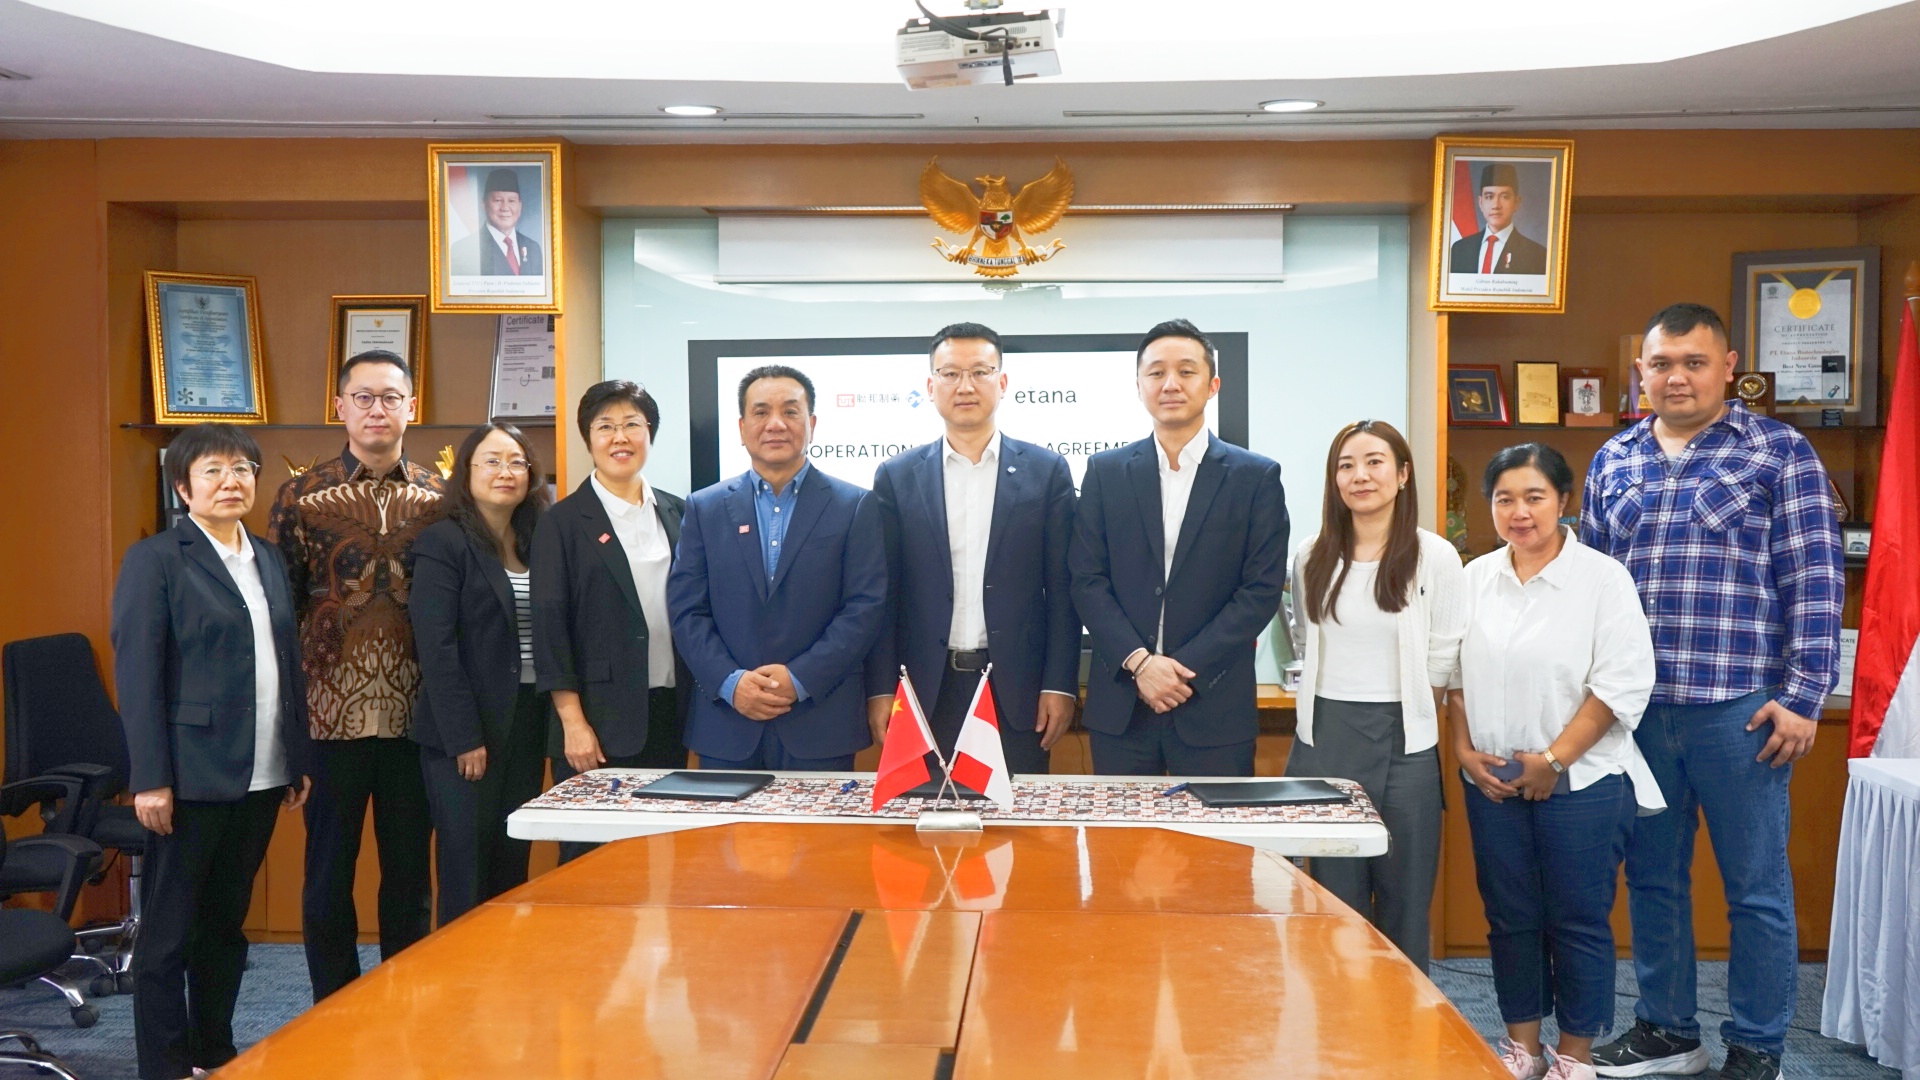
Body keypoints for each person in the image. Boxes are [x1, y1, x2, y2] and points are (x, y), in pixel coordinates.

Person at [1583, 304, 1843, 1080]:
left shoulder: (1778, 453)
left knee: (1756, 888)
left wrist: (1804, 695)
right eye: (1662, 364)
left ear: (1728, 367)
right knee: (1652, 879)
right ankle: (1668, 1031)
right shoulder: (1614, 458)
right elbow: (1587, 589)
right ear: (1642, 372)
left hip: (1741, 713)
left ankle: (1758, 1046)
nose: (1677, 377)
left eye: (1694, 362)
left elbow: (1815, 578)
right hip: (1636, 715)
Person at [1453, 443, 1663, 1080]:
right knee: (1509, 916)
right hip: (1493, 781)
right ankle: (1524, 1046)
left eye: (1534, 497)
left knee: (1577, 919)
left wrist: (1553, 760)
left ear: (1564, 500)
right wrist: (1463, 752)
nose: (1519, 512)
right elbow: (1452, 676)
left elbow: (1621, 684)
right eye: (1505, 499)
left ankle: (1575, 1054)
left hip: (1585, 781)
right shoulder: (1474, 578)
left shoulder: (1603, 579)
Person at [112, 423, 314, 1080]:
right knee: (168, 936)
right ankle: (164, 1066)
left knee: (226, 926)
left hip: (262, 771)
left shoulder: (268, 557)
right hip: (189, 775)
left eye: (243, 469)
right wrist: (150, 778)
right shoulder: (157, 559)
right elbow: (138, 675)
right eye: (214, 471)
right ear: (184, 487)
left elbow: (286, 661)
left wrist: (296, 756)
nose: (231, 481)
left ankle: (213, 1051)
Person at [268, 348, 443, 1002]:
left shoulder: (440, 499)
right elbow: (281, 609)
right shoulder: (300, 496)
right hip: (327, 719)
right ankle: (333, 1007)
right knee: (326, 877)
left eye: (390, 397)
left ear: (411, 408)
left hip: (415, 720)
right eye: (363, 397)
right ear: (339, 406)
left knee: (409, 878)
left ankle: (406, 1004)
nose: (377, 409)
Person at [1283, 418, 1465, 971]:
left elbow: (1443, 654)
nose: (1360, 475)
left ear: (1403, 474)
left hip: (1404, 741)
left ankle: (1406, 1016)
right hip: (1326, 738)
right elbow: (1303, 637)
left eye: (1374, 462)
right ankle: (1339, 1013)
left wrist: (1415, 709)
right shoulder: (1311, 554)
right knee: (1334, 901)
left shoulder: (1435, 555)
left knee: (1404, 898)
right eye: (1346, 465)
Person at [1069, 319, 1289, 776]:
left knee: (1218, 827)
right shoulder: (1106, 472)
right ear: (1138, 386)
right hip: (1123, 707)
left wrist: (1177, 669)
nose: (1170, 384)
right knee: (1120, 827)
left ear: (1212, 385)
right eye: (1156, 373)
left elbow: (1260, 591)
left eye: (1186, 371)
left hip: (1214, 704)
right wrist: (1140, 664)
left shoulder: (1255, 477)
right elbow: (1087, 579)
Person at [864, 322, 1079, 775]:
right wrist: (881, 689)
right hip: (923, 690)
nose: (965, 386)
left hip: (1015, 691)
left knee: (1016, 818)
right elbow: (883, 595)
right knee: (921, 815)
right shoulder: (897, 477)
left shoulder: (1046, 472)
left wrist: (1060, 684)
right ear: (930, 387)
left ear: (1003, 382)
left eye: (980, 372)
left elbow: (1063, 590)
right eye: (950, 374)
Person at [667, 365, 886, 770]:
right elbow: (686, 610)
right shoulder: (704, 507)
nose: (775, 424)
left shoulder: (855, 505)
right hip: (727, 723)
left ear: (812, 424)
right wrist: (730, 683)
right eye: (761, 412)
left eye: (790, 411)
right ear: (741, 427)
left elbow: (864, 608)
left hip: (820, 721)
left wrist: (800, 678)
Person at [532, 382, 691, 856]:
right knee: (593, 858)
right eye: (606, 427)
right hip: (598, 720)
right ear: (588, 438)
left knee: (662, 854)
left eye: (632, 425)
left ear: (650, 434)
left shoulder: (678, 511)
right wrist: (572, 722)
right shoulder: (561, 522)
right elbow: (550, 628)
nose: (620, 437)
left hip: (669, 711)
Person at [408, 423, 552, 924]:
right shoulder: (442, 542)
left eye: (516, 461)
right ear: (466, 473)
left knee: (512, 859)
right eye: (491, 461)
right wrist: (464, 737)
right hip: (466, 730)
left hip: (527, 720)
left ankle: (504, 964)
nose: (505, 471)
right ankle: (458, 970)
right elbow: (437, 648)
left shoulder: (538, 540)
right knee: (466, 865)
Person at [1448, 163, 1549, 276]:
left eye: (1504, 197)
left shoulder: (1536, 254)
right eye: (1489, 197)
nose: (1496, 205)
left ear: (1516, 202)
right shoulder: (1460, 249)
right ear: (1480, 203)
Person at [449, 168, 544, 277]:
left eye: (511, 201)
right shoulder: (463, 249)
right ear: (484, 204)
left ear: (520, 206)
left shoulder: (533, 248)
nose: (505, 208)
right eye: (498, 200)